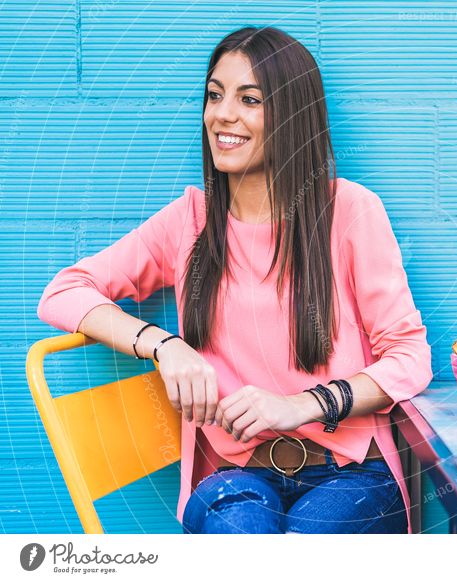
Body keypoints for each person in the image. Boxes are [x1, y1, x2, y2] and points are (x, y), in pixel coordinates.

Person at [37, 26, 432, 534]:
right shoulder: (189, 221)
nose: (223, 114)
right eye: (215, 95)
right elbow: (65, 290)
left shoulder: (350, 211)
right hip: (235, 477)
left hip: (351, 474)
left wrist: (302, 405)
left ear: (292, 114)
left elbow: (409, 356)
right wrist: (164, 345)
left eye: (250, 99)